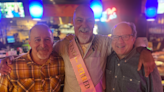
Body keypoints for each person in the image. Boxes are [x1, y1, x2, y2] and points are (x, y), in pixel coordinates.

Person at [0, 5, 155, 92]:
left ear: (94, 23)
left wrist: (145, 51)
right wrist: (8, 61)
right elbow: (40, 53)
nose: (84, 25)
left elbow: (129, 42)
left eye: (89, 21)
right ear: (74, 23)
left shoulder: (105, 42)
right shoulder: (61, 46)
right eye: (79, 21)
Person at [0, 24, 65, 92]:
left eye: (47, 39)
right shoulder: (10, 67)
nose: (43, 45)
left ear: (52, 42)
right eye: (37, 40)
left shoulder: (60, 63)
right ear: (30, 43)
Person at [106, 22, 163, 92]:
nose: (120, 41)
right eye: (115, 37)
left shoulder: (146, 64)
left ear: (133, 39)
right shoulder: (107, 59)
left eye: (125, 36)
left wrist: (145, 50)